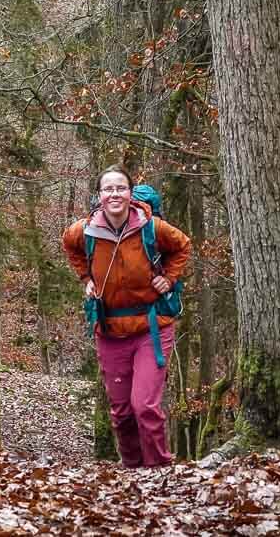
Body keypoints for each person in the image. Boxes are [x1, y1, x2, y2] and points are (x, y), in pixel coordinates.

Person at [61, 164, 192, 469]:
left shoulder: (151, 227)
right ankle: (131, 471)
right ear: (99, 195)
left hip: (151, 326)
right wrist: (86, 279)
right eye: (108, 189)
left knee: (144, 405)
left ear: (130, 194)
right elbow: (69, 246)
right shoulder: (85, 230)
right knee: (121, 412)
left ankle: (159, 471)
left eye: (120, 188)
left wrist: (169, 279)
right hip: (109, 328)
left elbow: (183, 245)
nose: (114, 194)